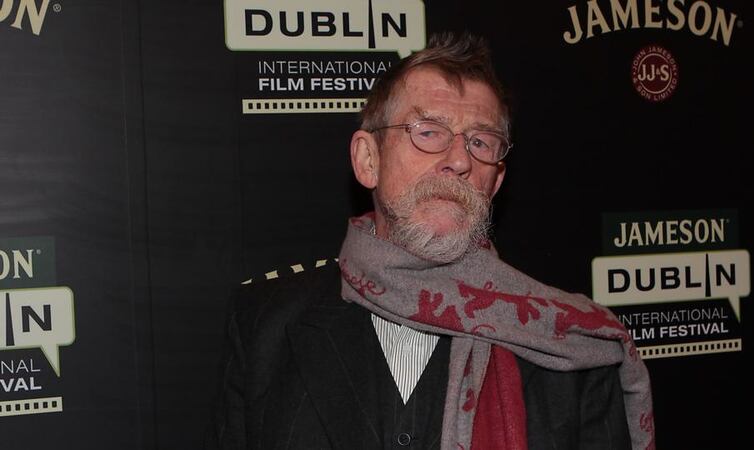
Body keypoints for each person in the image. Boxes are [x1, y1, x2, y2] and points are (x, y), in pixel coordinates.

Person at [208, 32, 654, 450]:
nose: (458, 159)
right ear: (368, 159)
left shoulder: (573, 345)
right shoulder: (266, 325)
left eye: (481, 142)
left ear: (495, 181)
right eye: (428, 132)